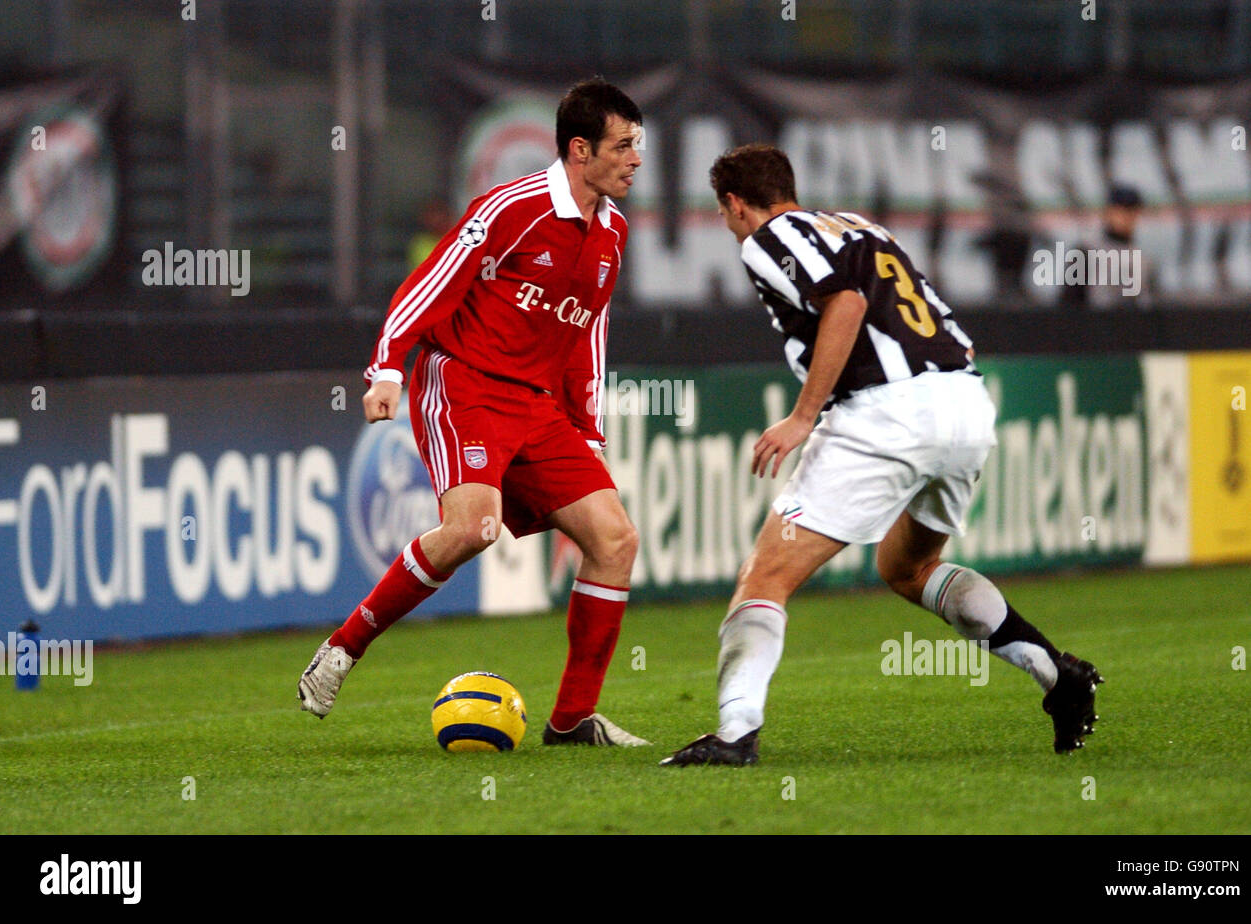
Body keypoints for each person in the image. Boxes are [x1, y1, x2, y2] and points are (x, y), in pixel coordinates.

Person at [662, 144, 1103, 766]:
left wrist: (802, 417)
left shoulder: (768, 236)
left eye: (724, 210)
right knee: (909, 569)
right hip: (964, 402)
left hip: (889, 415)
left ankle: (735, 734)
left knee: (765, 578)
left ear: (735, 204)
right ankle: (1057, 674)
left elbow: (846, 302)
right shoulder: (860, 225)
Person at [300, 78, 650, 747]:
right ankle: (342, 650)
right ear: (580, 150)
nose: (636, 159)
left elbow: (585, 336)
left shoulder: (612, 232)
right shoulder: (511, 208)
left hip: (539, 405)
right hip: (466, 383)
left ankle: (573, 721)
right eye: (623, 145)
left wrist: (589, 431)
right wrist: (386, 369)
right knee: (474, 528)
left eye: (638, 144)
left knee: (615, 540)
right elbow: (427, 283)